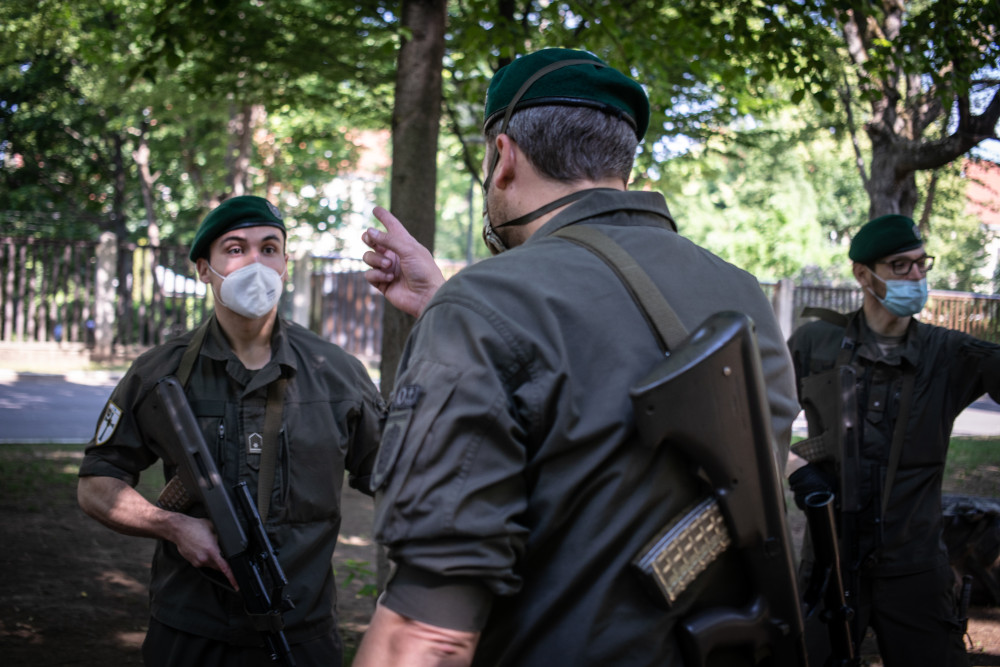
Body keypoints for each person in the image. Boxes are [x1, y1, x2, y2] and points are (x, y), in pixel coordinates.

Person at [353, 48, 801, 667]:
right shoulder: (741, 292)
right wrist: (448, 304)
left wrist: (463, 309)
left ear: (505, 157)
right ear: (621, 162)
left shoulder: (488, 305)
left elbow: (428, 634)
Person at [76, 195, 385, 667]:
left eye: (269, 248)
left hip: (301, 633)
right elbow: (97, 484)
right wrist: (173, 526)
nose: (255, 263)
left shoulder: (338, 374)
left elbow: (394, 479)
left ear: (285, 265)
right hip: (190, 632)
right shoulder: (160, 373)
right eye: (236, 249)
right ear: (205, 269)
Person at [787, 214, 1000, 667]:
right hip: (830, 562)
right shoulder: (815, 342)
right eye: (900, 266)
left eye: (922, 263)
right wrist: (796, 468)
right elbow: (758, 419)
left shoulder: (949, 353)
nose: (917, 276)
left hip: (915, 566)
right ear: (863, 275)